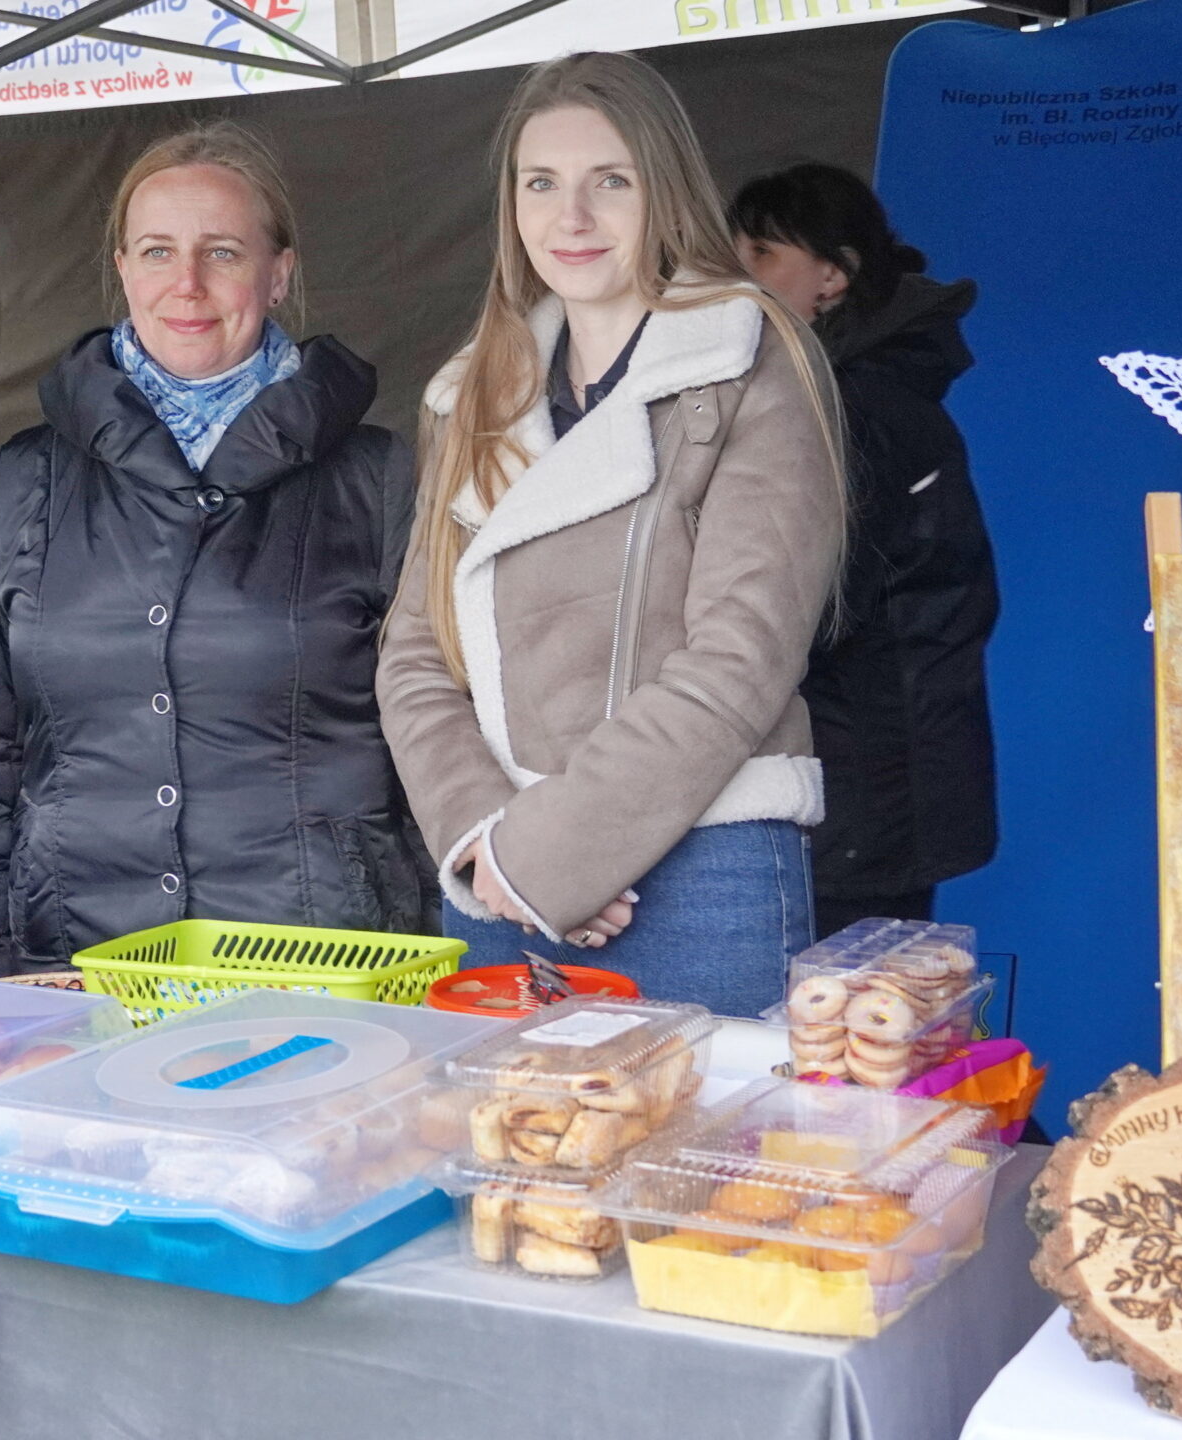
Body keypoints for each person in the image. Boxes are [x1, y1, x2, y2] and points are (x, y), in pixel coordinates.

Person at [377, 52, 847, 1018]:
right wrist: (486, 841)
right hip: (497, 877)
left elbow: (743, 653)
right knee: (515, 1125)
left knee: (707, 1126)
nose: (573, 217)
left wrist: (558, 852)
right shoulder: (470, 394)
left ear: (664, 191)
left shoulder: (748, 360)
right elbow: (415, 652)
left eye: (611, 182)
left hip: (704, 869)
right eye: (541, 184)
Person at [0, 123, 427, 976]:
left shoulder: (374, 476)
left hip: (324, 959)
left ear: (278, 273)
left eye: (222, 252)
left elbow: (439, 725)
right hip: (77, 958)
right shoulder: (27, 478)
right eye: (158, 251)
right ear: (123, 268)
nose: (186, 284)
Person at [730, 162, 998, 938]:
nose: (737, 276)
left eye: (762, 254)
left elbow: (817, 606)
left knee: (852, 1000)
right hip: (872, 776)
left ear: (834, 276)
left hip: (865, 783)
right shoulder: (846, 390)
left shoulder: (854, 406)